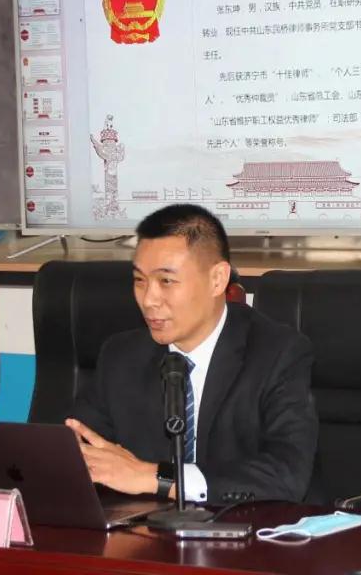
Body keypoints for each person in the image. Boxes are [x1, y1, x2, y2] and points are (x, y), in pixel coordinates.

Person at [66, 204, 318, 504]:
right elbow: (77, 452)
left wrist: (157, 478)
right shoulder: (121, 355)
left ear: (217, 279)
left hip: (249, 526)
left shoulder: (278, 353)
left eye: (166, 281)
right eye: (139, 280)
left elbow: (286, 475)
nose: (149, 300)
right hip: (147, 527)